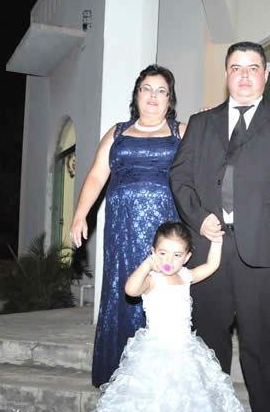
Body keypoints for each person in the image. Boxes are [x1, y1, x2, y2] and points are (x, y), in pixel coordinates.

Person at [169, 41, 270, 412]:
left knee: (259, 342)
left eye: (252, 68)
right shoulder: (201, 122)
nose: (244, 75)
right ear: (226, 74)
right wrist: (199, 217)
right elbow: (180, 177)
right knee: (210, 339)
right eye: (236, 67)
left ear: (265, 75)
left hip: (263, 249)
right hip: (208, 248)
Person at [81, 222, 250, 412]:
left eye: (177, 255)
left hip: (185, 349)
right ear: (153, 252)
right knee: (154, 400)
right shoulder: (152, 280)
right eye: (162, 253)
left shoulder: (185, 276)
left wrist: (217, 241)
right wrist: (147, 265)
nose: (169, 260)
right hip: (154, 350)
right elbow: (130, 289)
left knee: (183, 402)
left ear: (187, 257)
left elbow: (212, 266)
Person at [70, 65, 185, 387]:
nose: (153, 96)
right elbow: (97, 175)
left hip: (164, 229)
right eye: (146, 89)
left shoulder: (182, 132)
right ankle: (119, 372)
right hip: (121, 229)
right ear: (136, 95)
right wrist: (81, 214)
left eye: (161, 91)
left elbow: (203, 168)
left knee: (161, 293)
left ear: (170, 99)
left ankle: (159, 378)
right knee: (122, 289)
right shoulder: (117, 132)